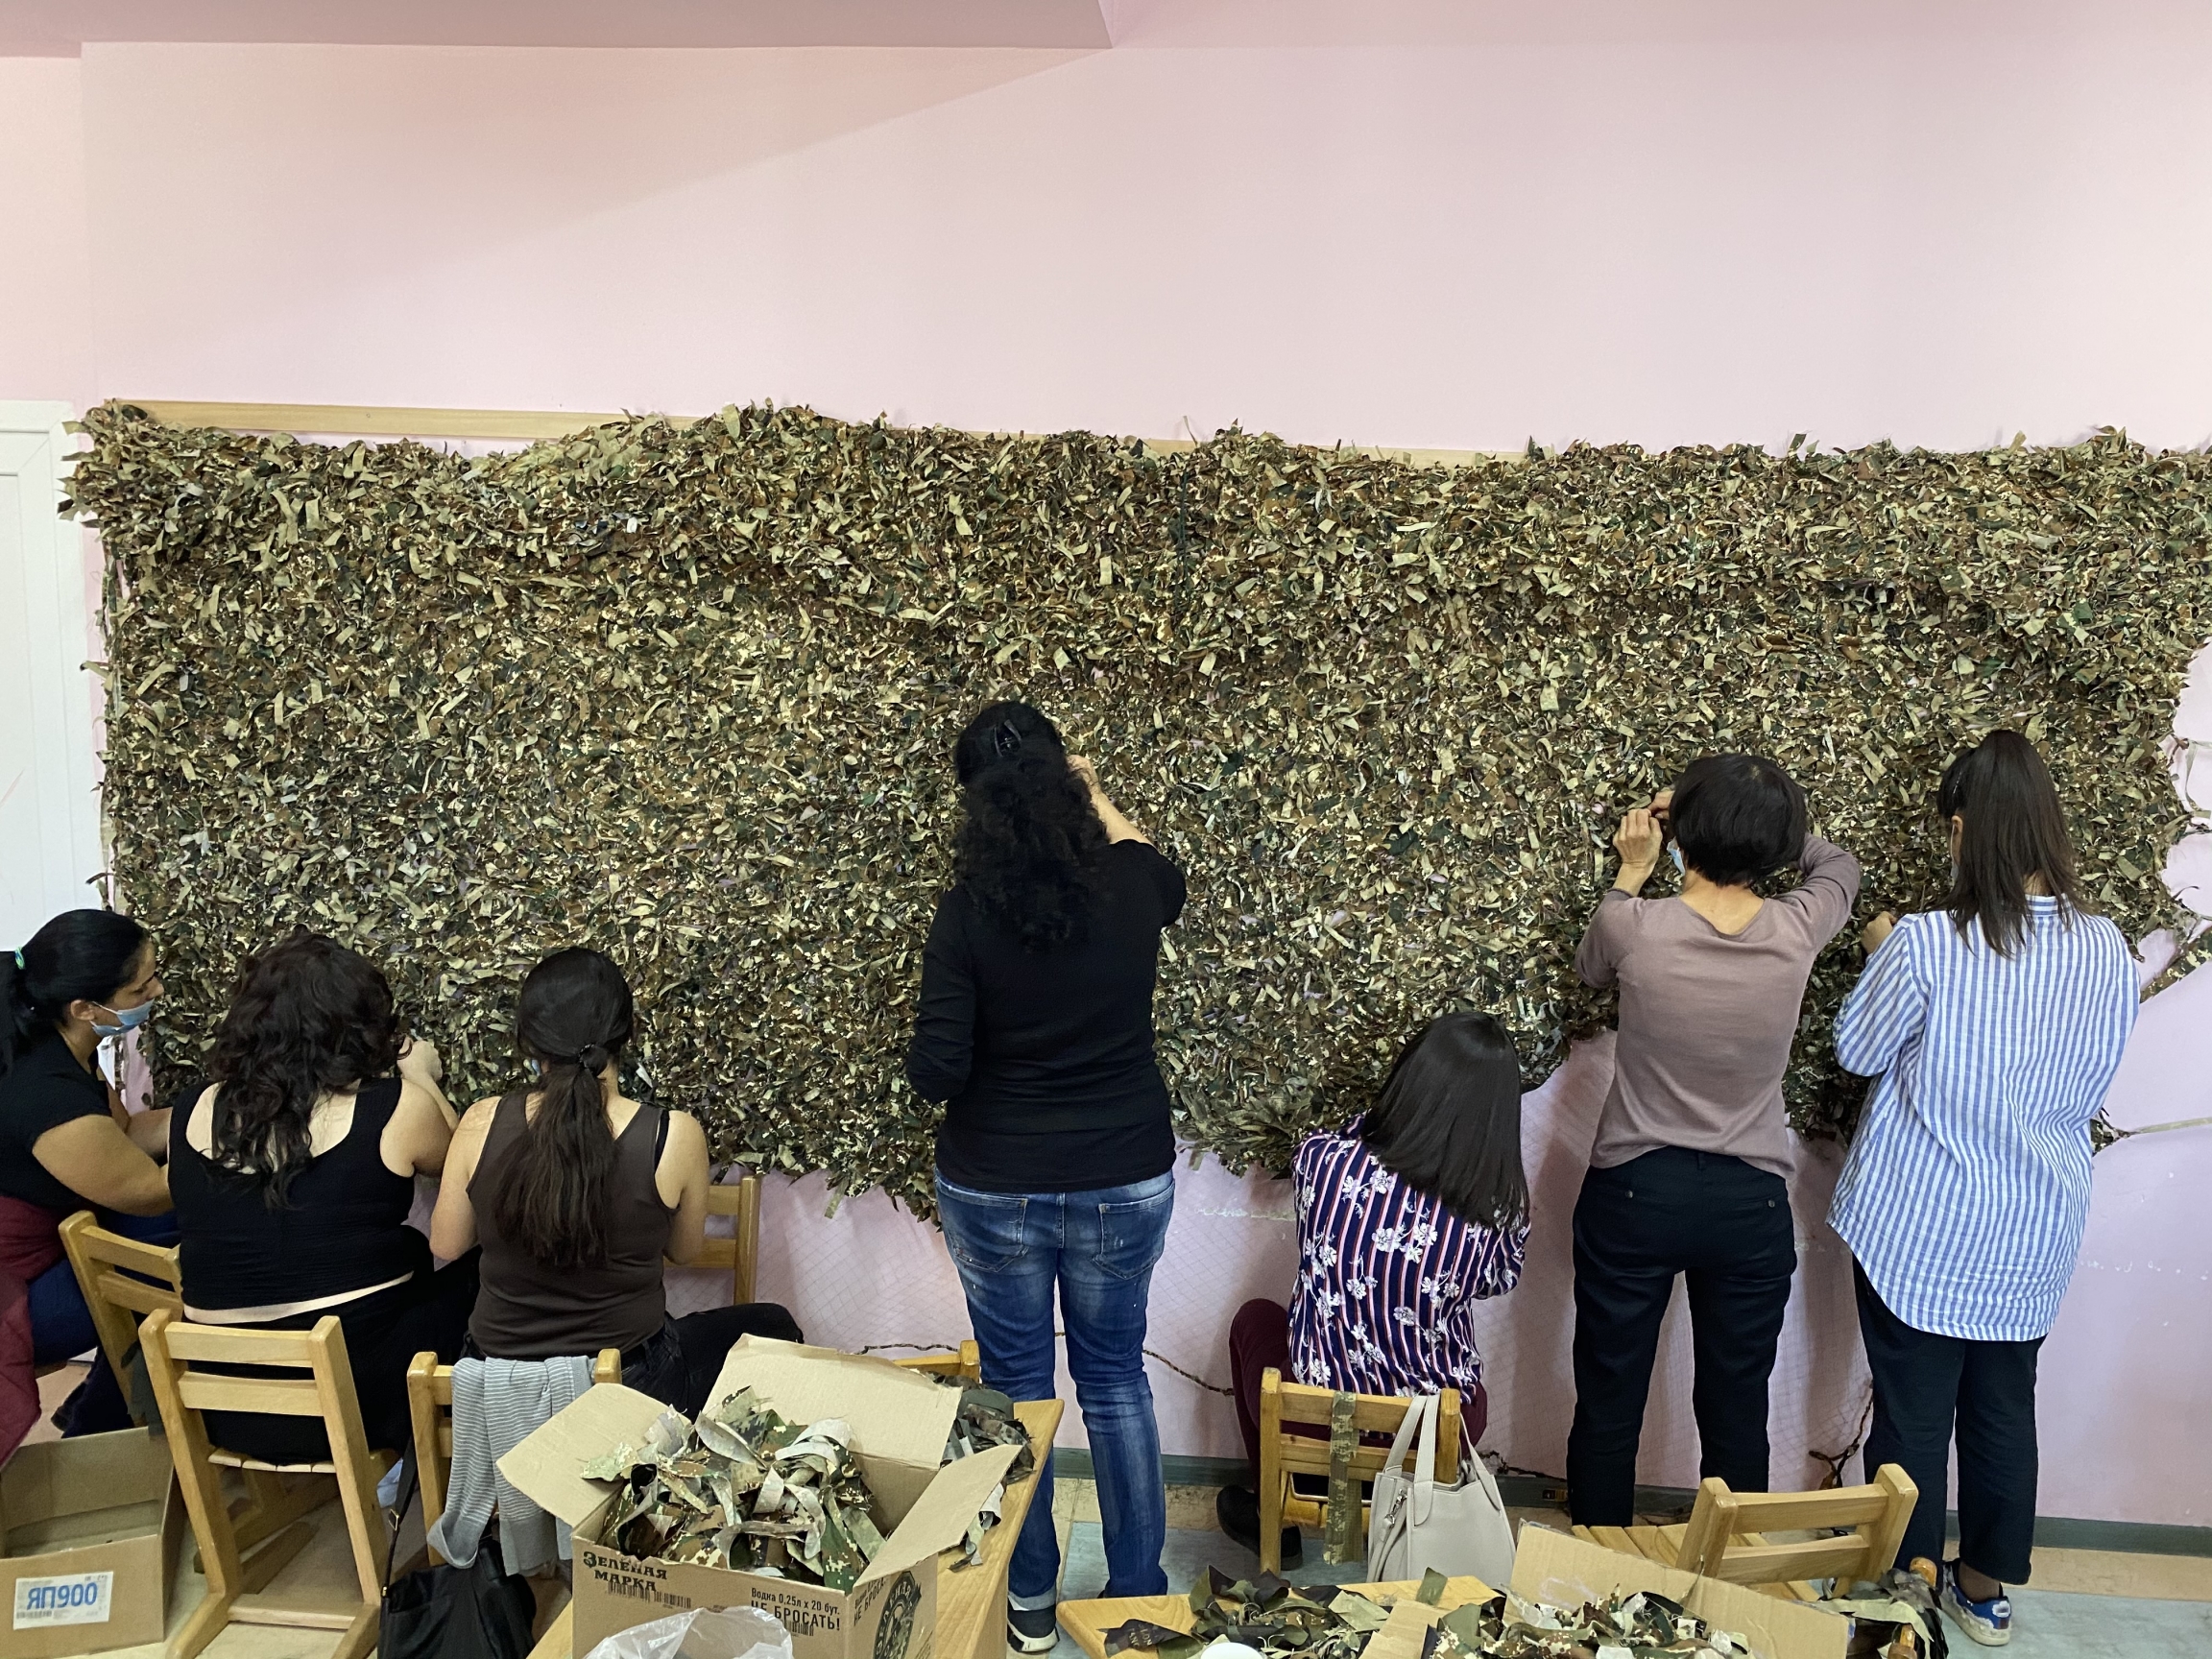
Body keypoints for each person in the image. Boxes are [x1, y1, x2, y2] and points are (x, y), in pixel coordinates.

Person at [1828, 732, 2133, 1648]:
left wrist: (1880, 947)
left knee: (1912, 1416)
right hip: (2034, 1228)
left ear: (1962, 830)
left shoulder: (1925, 942)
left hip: (1921, 1226)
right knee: (2004, 1409)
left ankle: (1905, 1599)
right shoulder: (2107, 947)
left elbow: (1857, 1051)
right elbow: (2098, 1076)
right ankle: (1986, 1589)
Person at [906, 700, 1184, 1651]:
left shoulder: (965, 916)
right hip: (1124, 1175)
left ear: (974, 811)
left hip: (996, 1183)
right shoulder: (1135, 883)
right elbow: (1157, 866)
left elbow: (936, 1072)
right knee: (1116, 1383)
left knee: (1017, 1390)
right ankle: (1139, 1600)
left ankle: (1026, 1607)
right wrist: (1095, 788)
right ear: (1068, 783)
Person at [1566, 756, 1860, 1526]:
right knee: (1736, 1404)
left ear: (1680, 838)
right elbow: (1839, 863)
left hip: (1634, 1188)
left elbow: (1589, 969)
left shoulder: (1633, 927)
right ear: (1775, 848)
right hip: (1748, 1202)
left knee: (1609, 1390)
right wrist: (1764, 828)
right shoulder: (1799, 926)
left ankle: (1592, 1573)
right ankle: (1730, 1593)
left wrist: (1634, 870)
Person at [1216, 1010, 1530, 1566]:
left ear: (1405, 1081)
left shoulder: (1322, 1161)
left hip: (1319, 1417)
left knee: (1253, 1320)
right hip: (1433, 1430)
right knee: (1462, 1390)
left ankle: (1277, 1516)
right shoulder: (1499, 1210)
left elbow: (1350, 1144)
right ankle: (1390, 1502)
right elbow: (1496, 1281)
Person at [432, 948, 801, 1416]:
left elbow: (446, 1244)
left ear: (530, 1042)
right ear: (625, 1034)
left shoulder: (480, 1122)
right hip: (629, 1387)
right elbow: (685, 1252)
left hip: (499, 1386)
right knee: (776, 1325)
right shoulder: (674, 1135)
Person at [170, 928, 473, 1461]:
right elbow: (457, 1165)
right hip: (359, 1396)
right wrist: (421, 1075)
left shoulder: (194, 1107)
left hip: (224, 1403)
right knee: (487, 1265)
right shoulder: (393, 1107)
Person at [0, 909, 174, 1433]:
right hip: (16, 1291)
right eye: (141, 987)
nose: (158, 992)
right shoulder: (44, 1091)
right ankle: (103, 1421)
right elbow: (145, 1191)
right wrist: (244, 1145)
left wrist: (219, 1107)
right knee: (174, 1254)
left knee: (168, 1236)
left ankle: (100, 1410)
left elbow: (125, 1136)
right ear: (85, 1007)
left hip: (52, 1243)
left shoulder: (64, 1036)